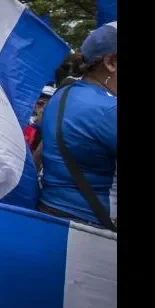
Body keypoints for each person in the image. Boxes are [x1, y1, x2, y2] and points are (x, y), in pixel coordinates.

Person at [38, 23, 117, 230]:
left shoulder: (63, 94)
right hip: (92, 229)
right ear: (111, 62)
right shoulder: (108, 109)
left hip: (51, 216)